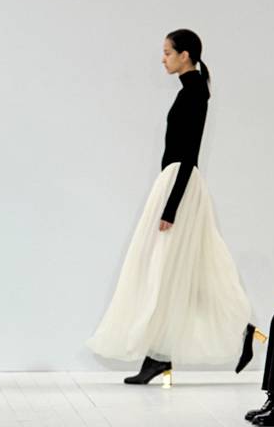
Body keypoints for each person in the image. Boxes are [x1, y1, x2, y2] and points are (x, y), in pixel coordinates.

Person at [87, 29, 257, 386]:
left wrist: (171, 207)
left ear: (185, 55)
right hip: (177, 184)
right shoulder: (191, 91)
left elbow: (189, 154)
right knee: (183, 270)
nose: (162, 59)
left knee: (165, 270)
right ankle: (174, 351)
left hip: (180, 186)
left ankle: (162, 355)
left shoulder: (194, 93)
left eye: (167, 52)